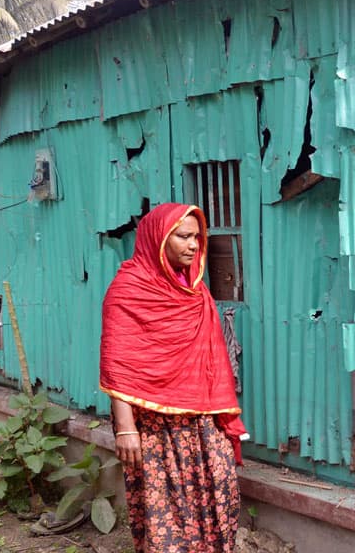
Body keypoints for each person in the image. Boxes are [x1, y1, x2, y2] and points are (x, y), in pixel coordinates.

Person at [100, 203, 247, 553]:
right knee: (166, 514)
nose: (194, 245)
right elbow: (118, 363)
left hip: (201, 423)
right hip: (153, 429)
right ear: (158, 238)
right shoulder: (128, 290)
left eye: (197, 237)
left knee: (220, 494)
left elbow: (211, 361)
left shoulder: (195, 291)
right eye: (183, 236)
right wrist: (125, 428)